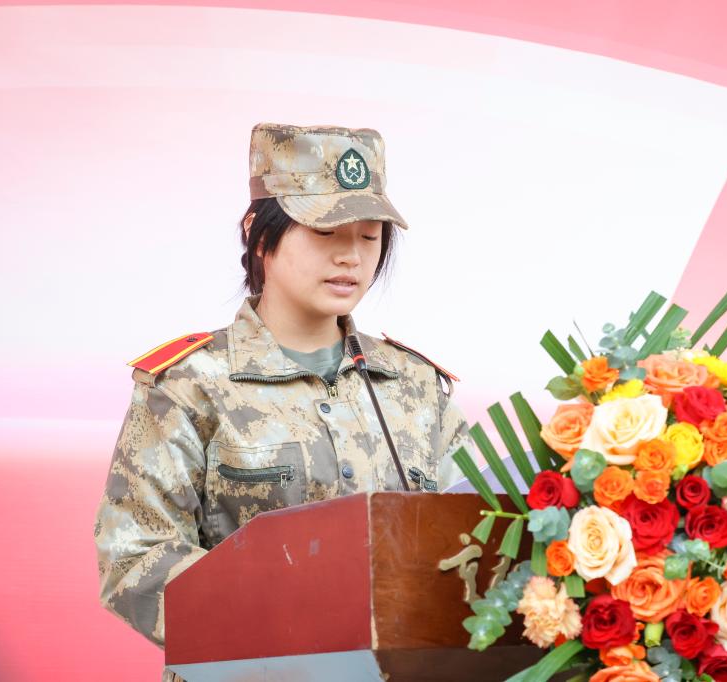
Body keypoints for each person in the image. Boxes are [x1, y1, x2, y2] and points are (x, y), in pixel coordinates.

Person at [93, 123, 475, 682]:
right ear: (257, 233)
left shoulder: (414, 385)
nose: (350, 256)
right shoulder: (191, 384)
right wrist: (294, 631)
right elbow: (134, 558)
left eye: (369, 237)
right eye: (325, 232)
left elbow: (476, 538)